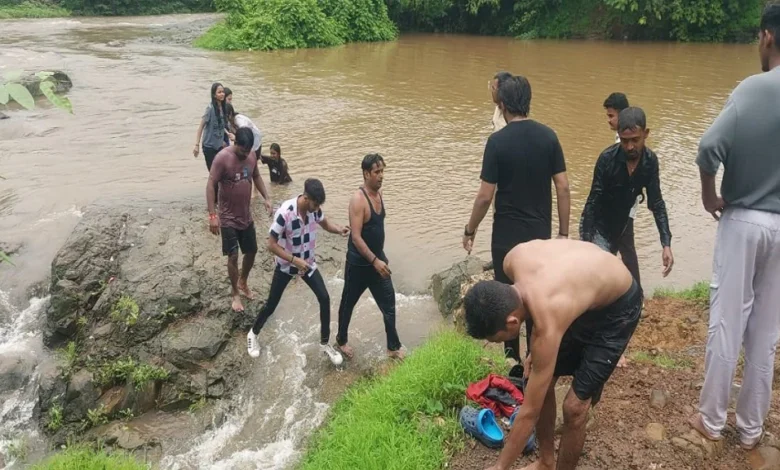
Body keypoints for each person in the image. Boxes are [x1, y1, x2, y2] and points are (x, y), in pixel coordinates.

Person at [463, 239, 643, 470]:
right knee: (536, 380)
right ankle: (545, 462)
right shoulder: (513, 259)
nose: (496, 343)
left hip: (618, 307)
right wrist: (536, 354)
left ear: (511, 322)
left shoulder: (547, 321)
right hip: (580, 298)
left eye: (496, 339)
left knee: (574, 408)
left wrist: (500, 467)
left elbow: (529, 413)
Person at [689, 3, 780, 451]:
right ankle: (750, 430)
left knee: (728, 321)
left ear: (767, 36)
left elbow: (708, 148)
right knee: (766, 332)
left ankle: (710, 419)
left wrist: (710, 196)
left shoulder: (752, 88)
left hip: (744, 218)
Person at [462, 74, 570, 364]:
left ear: (503, 104)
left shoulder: (497, 142)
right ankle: (538, 358)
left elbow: (485, 196)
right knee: (537, 299)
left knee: (507, 302)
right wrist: (562, 234)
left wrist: (469, 229)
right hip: (540, 236)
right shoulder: (549, 136)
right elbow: (563, 187)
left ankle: (513, 363)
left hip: (507, 240)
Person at [246, 178, 350, 365]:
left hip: (308, 264)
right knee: (271, 304)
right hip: (286, 266)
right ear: (306, 197)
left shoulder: (314, 210)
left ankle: (325, 344)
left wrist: (340, 229)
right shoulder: (285, 213)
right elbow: (271, 244)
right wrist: (294, 260)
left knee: (324, 298)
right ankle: (253, 333)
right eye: (315, 204)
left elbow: (326, 224)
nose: (317, 208)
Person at [580, 107, 674, 286]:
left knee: (623, 277)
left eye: (635, 140)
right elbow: (592, 202)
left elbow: (657, 203)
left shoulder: (650, 162)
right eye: (624, 141)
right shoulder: (606, 159)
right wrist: (586, 242)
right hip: (598, 227)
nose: (630, 147)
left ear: (646, 134)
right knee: (597, 279)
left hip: (622, 224)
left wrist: (666, 244)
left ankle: (635, 302)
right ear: (618, 135)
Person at [335, 154, 403, 360]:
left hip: (377, 261)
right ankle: (341, 340)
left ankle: (393, 347)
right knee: (348, 304)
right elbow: (355, 237)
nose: (381, 176)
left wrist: (379, 258)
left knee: (389, 302)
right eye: (377, 172)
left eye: (382, 171)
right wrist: (374, 260)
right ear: (366, 174)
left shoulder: (379, 194)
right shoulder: (358, 200)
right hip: (359, 265)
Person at [207, 127, 273, 313]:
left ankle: (243, 281)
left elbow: (257, 176)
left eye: (248, 150)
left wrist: (267, 198)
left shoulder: (251, 156)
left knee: (251, 251)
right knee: (233, 255)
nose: (245, 155)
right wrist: (213, 215)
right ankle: (235, 293)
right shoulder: (222, 158)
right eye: (242, 151)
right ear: (235, 144)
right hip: (227, 217)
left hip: (245, 215)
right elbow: (211, 184)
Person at [194, 82, 233, 170]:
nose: (222, 94)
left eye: (223, 91)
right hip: (209, 147)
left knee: (223, 172)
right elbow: (201, 127)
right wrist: (197, 145)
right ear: (214, 95)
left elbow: (221, 125)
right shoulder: (210, 109)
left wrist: (227, 136)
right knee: (214, 174)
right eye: (219, 92)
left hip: (219, 146)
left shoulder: (223, 108)